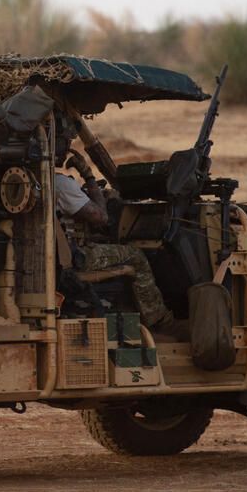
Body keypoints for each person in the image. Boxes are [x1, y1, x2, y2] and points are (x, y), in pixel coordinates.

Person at [53, 132, 186, 341]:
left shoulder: (36, 180)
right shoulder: (60, 184)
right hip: (73, 259)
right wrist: (88, 175)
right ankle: (159, 322)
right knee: (136, 256)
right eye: (64, 143)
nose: (68, 148)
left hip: (56, 259)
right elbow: (102, 217)